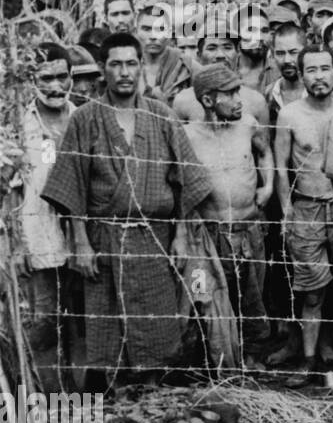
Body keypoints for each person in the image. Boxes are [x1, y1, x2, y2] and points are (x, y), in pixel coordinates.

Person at [42, 33, 210, 388]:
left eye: (131, 63)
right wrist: (82, 243)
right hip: (105, 240)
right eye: (115, 64)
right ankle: (118, 402)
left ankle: (150, 397)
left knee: (154, 324)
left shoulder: (162, 115)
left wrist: (180, 235)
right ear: (104, 69)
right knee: (107, 325)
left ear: (140, 68)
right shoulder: (85, 118)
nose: (124, 72)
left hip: (154, 238)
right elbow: (72, 184)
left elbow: (185, 180)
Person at [273, 44, 333, 382]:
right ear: (301, 76)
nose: (319, 76)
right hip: (307, 208)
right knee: (311, 291)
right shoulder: (289, 115)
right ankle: (308, 360)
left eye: (325, 69)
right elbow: (280, 167)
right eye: (312, 70)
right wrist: (288, 213)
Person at [185, 64, 274, 358]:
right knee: (207, 297)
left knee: (251, 296)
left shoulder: (248, 124)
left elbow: (264, 152)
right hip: (210, 237)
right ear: (208, 101)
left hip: (249, 230)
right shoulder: (188, 135)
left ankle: (249, 357)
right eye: (230, 94)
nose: (239, 100)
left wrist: (268, 185)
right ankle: (214, 359)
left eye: (239, 91)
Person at [13, 43, 76, 352]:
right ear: (32, 81)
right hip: (39, 236)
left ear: (72, 76)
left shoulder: (83, 119)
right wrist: (17, 244)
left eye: (61, 77)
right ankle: (51, 395)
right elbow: (12, 190)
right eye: (45, 79)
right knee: (47, 320)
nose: (54, 86)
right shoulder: (20, 126)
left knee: (82, 320)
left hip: (82, 239)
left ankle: (90, 393)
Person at [135, 4, 191, 104]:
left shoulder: (184, 62)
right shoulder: (127, 62)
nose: (153, 36)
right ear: (136, 31)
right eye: (146, 29)